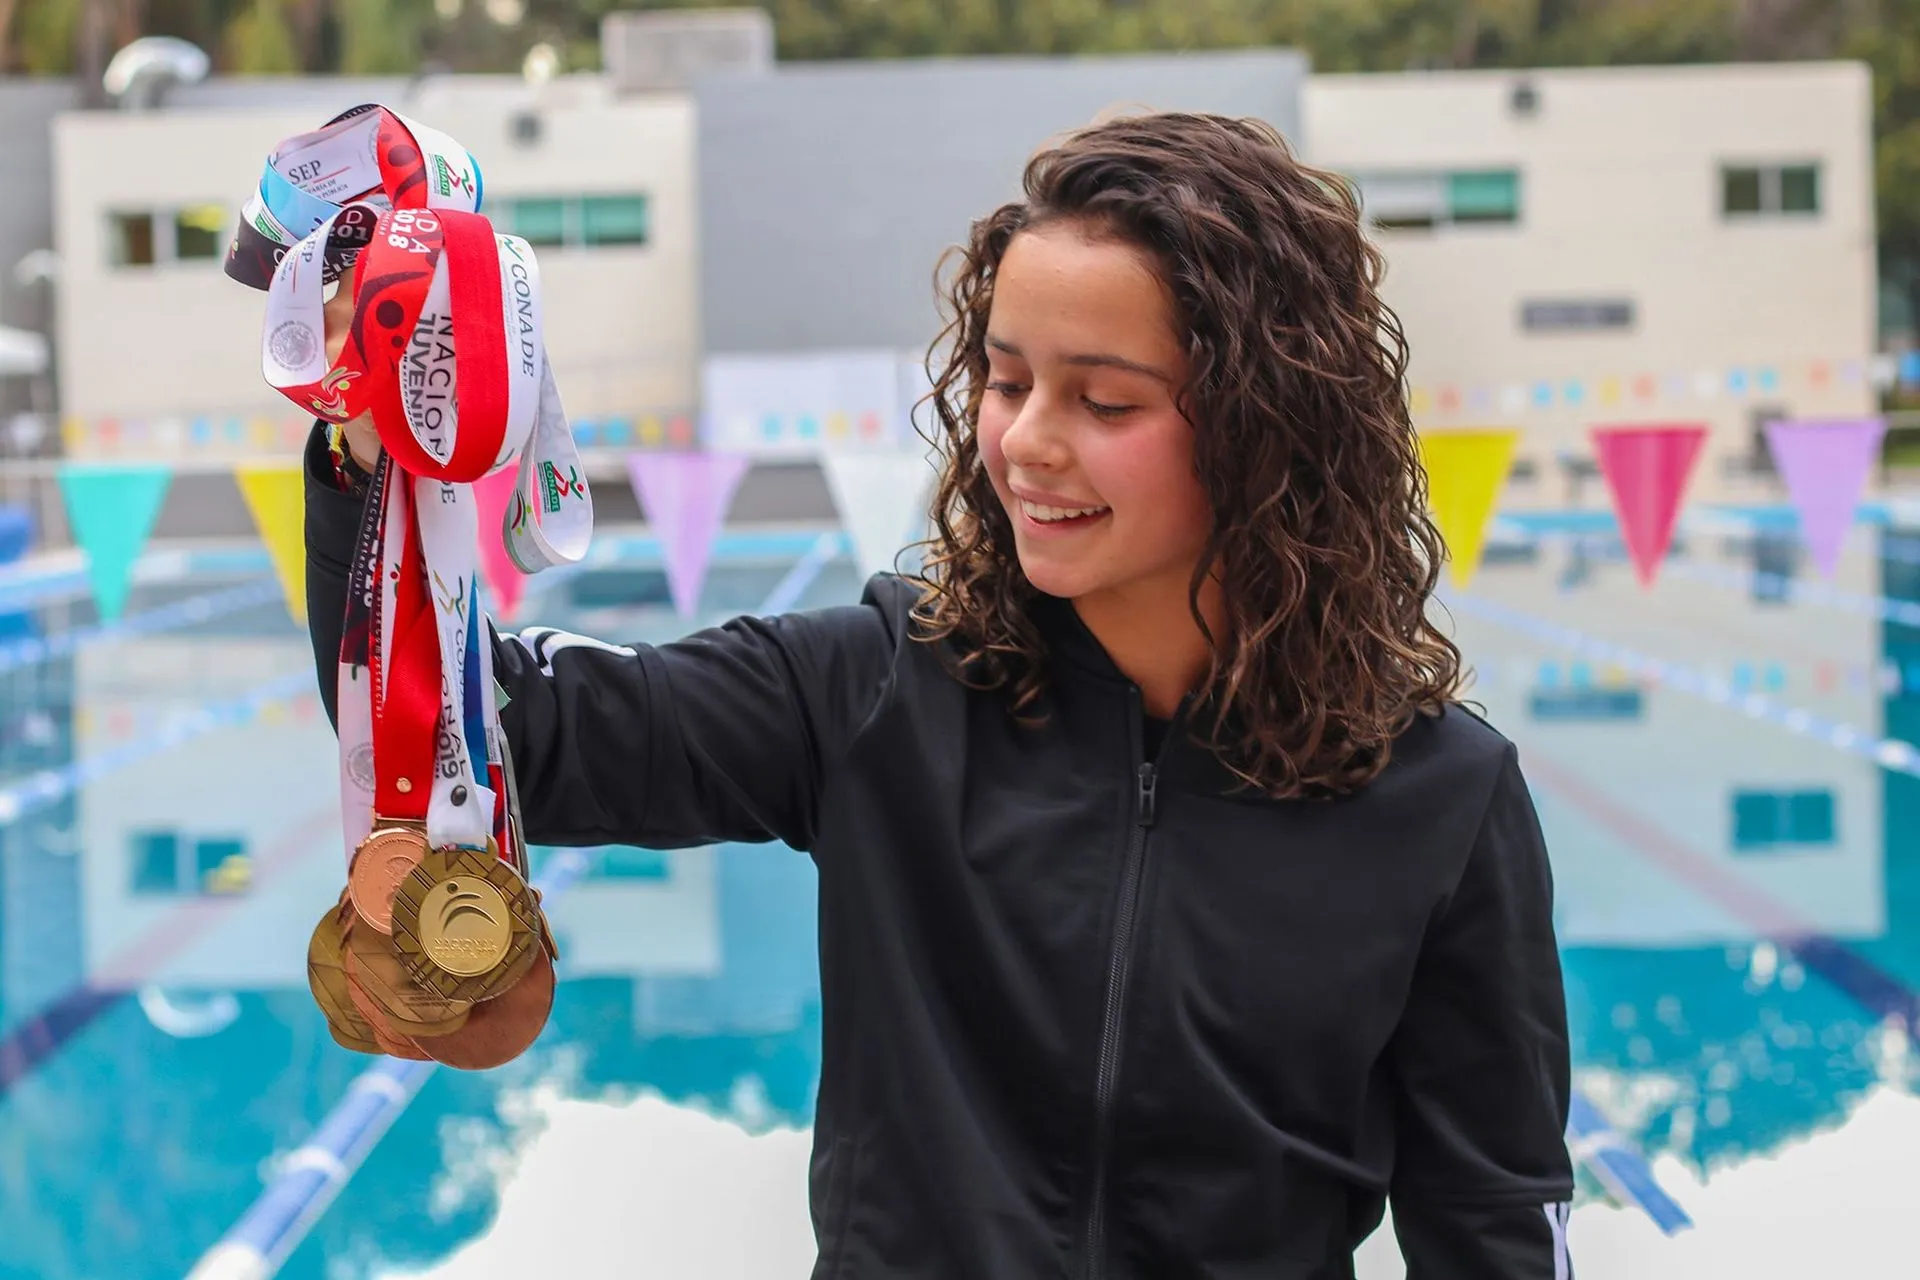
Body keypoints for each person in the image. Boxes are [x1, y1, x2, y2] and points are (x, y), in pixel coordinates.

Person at [303, 112, 1574, 1279]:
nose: (1024, 441)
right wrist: (378, 444)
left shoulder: (1437, 797)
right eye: (1009, 380)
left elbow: (1494, 1224)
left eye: (1105, 398)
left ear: (1263, 423)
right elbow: (516, 741)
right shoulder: (879, 684)